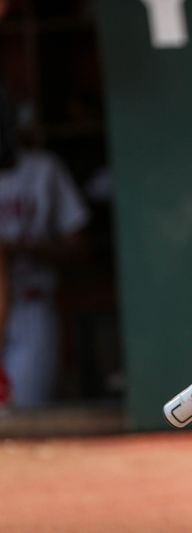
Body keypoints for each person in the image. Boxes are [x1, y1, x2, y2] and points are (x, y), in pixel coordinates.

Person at [0, 84, 90, 409]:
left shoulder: (42, 169)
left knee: (26, 415)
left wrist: (27, 248)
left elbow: (79, 246)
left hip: (31, 304)